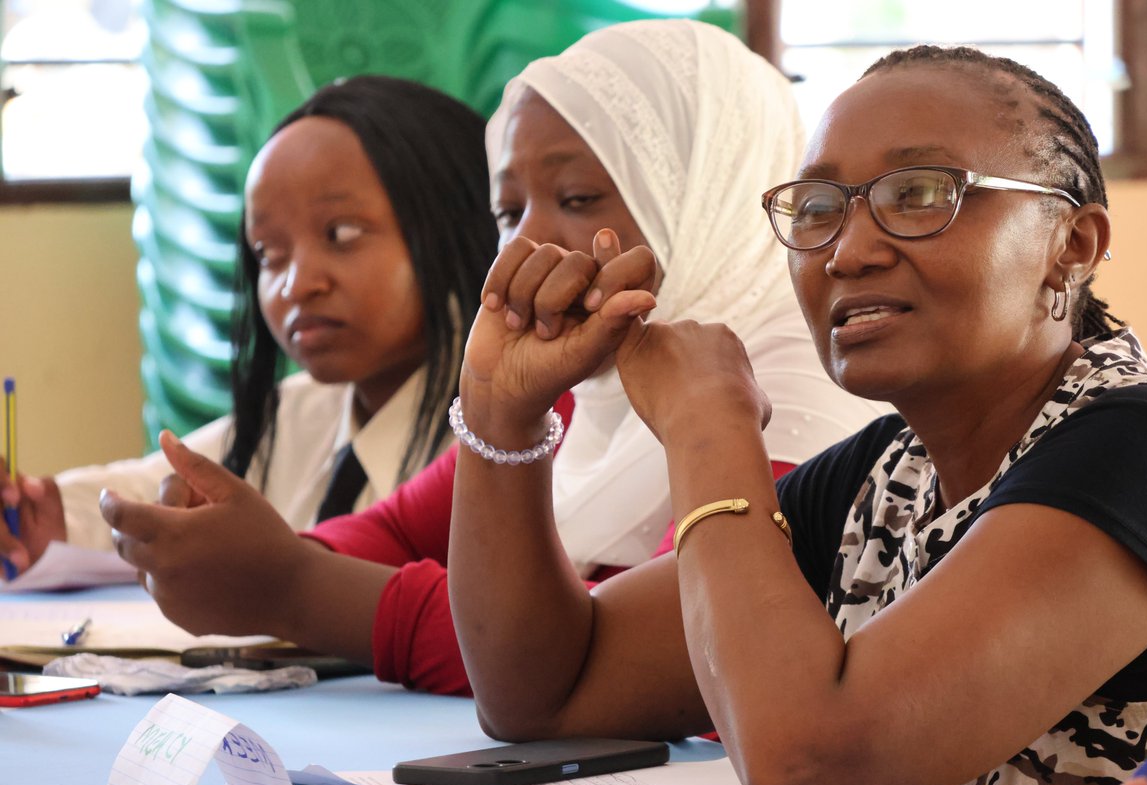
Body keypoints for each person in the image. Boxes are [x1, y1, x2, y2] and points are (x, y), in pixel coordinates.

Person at [443, 43, 1147, 785]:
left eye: (918, 194)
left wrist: (711, 425)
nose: (849, 250)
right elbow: (543, 694)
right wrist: (500, 412)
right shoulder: (883, 478)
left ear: (1072, 245)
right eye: (817, 209)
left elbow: (813, 765)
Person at [99, 20, 885, 695]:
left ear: (706, 192)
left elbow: (604, 647)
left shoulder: (805, 385)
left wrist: (289, 586)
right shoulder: (585, 387)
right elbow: (394, 533)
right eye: (508, 210)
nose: (527, 242)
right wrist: (243, 555)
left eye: (577, 198)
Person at [0, 75, 494, 574]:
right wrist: (41, 518)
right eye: (268, 254)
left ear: (455, 224)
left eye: (340, 233)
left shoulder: (508, 441)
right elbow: (150, 492)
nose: (296, 285)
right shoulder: (293, 417)